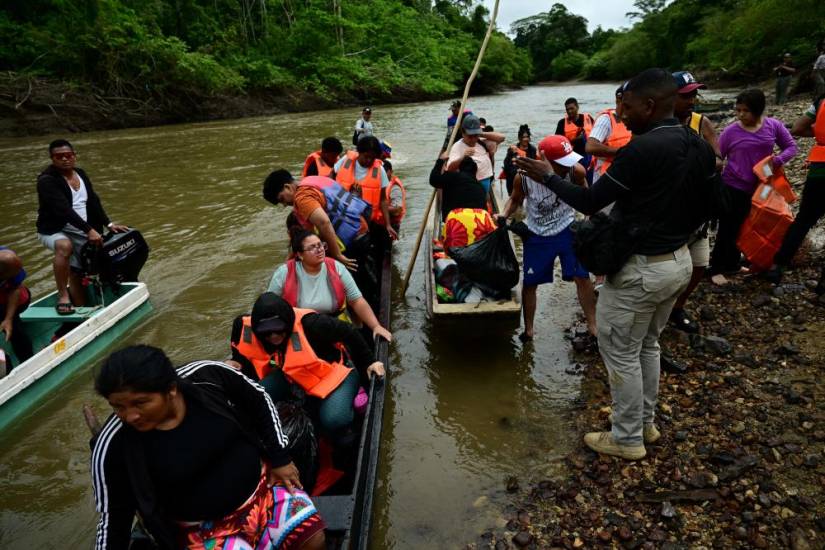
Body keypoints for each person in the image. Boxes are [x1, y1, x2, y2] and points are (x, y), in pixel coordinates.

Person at [516, 68, 716, 460]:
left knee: (622, 351)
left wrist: (547, 176)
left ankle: (626, 439)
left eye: (625, 107)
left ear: (650, 104)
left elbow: (590, 203)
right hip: (677, 261)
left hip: (642, 269)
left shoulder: (641, 151)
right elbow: (711, 204)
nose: (619, 115)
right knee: (647, 345)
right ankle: (645, 424)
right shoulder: (696, 143)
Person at [90, 345, 326, 550]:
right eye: (118, 407)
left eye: (140, 403)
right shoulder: (113, 444)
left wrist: (280, 458)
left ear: (171, 389)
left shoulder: (207, 377)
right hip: (202, 531)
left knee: (313, 540)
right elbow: (114, 518)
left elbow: (259, 398)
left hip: (264, 490)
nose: (130, 416)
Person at [230, 293, 385, 441]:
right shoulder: (243, 326)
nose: (273, 336)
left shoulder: (312, 323)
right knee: (250, 398)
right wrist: (237, 363)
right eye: (267, 333)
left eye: (278, 330)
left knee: (334, 419)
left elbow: (349, 332)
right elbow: (239, 351)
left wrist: (370, 362)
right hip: (291, 375)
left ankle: (352, 397)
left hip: (335, 374)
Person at [498, 135, 596, 342]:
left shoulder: (575, 171)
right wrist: (502, 215)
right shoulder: (523, 178)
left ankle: (593, 326)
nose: (568, 166)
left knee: (582, 277)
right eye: (561, 163)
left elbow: (587, 197)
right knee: (530, 283)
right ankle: (529, 330)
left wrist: (587, 222)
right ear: (544, 161)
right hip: (537, 234)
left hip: (567, 229)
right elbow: (514, 201)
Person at [708, 88, 797, 285]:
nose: (740, 115)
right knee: (728, 228)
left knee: (748, 226)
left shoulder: (773, 126)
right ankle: (716, 269)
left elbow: (791, 147)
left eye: (745, 111)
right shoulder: (731, 131)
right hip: (733, 185)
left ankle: (732, 263)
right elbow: (718, 156)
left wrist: (777, 161)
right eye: (737, 110)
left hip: (763, 187)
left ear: (757, 110)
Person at [35, 139, 129, 314]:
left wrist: (108, 223)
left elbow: (93, 200)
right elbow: (63, 210)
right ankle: (63, 296)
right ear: (52, 159)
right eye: (59, 156)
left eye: (68, 155)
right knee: (65, 247)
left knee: (81, 267)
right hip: (54, 228)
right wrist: (89, 230)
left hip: (79, 227)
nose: (64, 159)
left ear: (74, 156)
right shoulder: (47, 181)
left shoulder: (80, 173)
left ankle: (84, 305)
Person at [668, 71, 722, 332]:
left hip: (699, 210)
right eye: (685, 95)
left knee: (699, 265)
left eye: (694, 94)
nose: (692, 100)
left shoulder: (702, 123)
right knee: (670, 269)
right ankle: (662, 309)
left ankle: (677, 308)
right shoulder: (659, 125)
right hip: (670, 212)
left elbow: (720, 158)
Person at [268, 230, 392, 341]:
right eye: (312, 247)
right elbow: (270, 306)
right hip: (299, 331)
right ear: (300, 255)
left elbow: (356, 300)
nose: (319, 249)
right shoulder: (284, 272)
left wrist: (376, 326)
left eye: (320, 245)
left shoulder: (336, 267)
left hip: (335, 326)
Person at [764, 94, 825, 283]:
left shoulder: (821, 101)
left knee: (804, 219)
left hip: (820, 167)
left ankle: (777, 266)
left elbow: (798, 128)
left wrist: (818, 132)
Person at [333, 136, 398, 242]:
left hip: (367, 222)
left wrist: (388, 225)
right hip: (342, 218)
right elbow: (331, 177)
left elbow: (383, 199)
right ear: (359, 152)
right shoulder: (346, 161)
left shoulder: (380, 170)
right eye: (366, 156)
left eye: (372, 158)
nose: (369, 160)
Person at [446, 115, 505, 194]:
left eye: (475, 135)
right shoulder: (457, 147)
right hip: (470, 185)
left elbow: (502, 138)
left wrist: (480, 134)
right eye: (470, 136)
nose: (473, 139)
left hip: (486, 180)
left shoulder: (481, 141)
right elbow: (450, 168)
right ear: (463, 133)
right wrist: (463, 157)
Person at [586, 86, 632, 184]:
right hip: (606, 176)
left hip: (626, 172)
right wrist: (623, 151)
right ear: (618, 100)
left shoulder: (634, 118)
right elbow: (590, 147)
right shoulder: (606, 119)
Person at [429, 152, 488, 220]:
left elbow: (434, 180)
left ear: (459, 169)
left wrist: (440, 161)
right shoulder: (481, 187)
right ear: (475, 171)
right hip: (477, 223)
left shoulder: (453, 176)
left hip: (456, 222)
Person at [0, 248, 33, 367]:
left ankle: (27, 363)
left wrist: (8, 319)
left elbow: (15, 289)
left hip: (14, 300)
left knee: (13, 327)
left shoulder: (10, 263)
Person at [555, 98, 594, 178]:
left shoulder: (588, 118)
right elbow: (557, 144)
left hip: (589, 156)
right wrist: (575, 140)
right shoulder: (562, 123)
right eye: (567, 109)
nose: (569, 111)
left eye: (572, 108)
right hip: (572, 158)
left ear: (577, 107)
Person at [502, 124, 538, 195]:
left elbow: (534, 165)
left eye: (527, 137)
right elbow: (506, 166)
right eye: (523, 137)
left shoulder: (533, 150)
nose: (526, 139)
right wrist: (517, 171)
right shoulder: (512, 150)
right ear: (519, 138)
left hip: (528, 181)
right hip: (513, 181)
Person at [383, 160, 406, 233]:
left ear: (391, 172)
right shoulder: (380, 185)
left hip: (392, 225)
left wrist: (380, 208)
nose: (383, 176)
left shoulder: (394, 187)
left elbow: (397, 210)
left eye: (385, 172)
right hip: (380, 224)